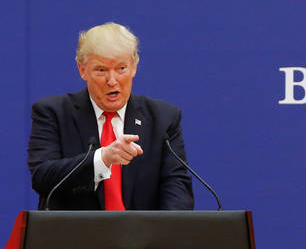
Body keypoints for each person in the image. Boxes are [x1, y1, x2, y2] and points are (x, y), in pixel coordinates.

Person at [27, 22, 194, 210]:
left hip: (142, 236)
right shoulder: (53, 113)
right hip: (75, 236)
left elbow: (176, 184)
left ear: (134, 67)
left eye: (121, 68)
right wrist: (102, 159)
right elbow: (43, 178)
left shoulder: (163, 118)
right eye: (101, 70)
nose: (112, 81)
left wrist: (164, 234)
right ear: (83, 70)